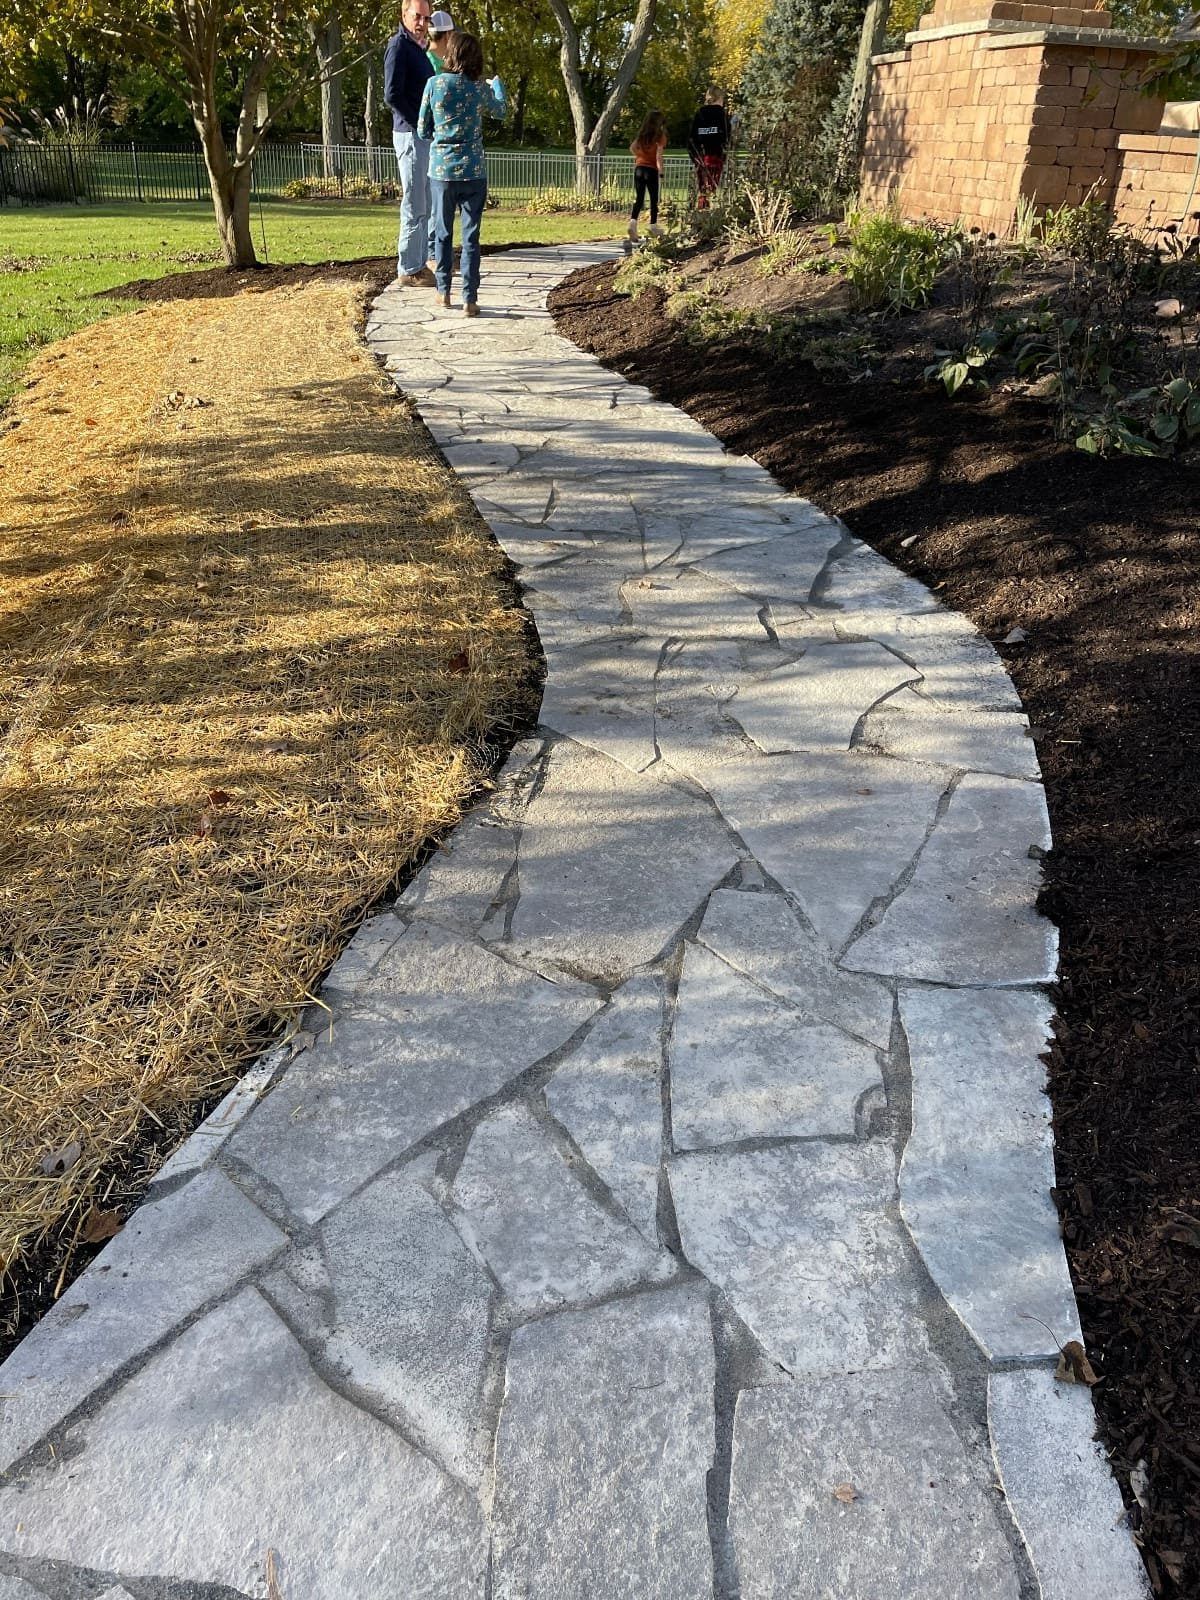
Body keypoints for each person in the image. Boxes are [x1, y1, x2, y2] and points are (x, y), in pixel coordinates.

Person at [417, 31, 506, 316]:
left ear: (450, 54)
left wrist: (441, 135)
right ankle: (470, 299)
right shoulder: (478, 88)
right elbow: (501, 111)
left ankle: (443, 292)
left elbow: (422, 129)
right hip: (474, 171)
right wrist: (498, 86)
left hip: (442, 171)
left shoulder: (434, 84)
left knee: (442, 233)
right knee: (471, 238)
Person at [384, 0, 436, 287]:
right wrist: (418, 124)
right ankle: (409, 268)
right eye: (417, 17)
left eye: (426, 18)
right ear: (404, 15)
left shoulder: (417, 48)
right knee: (415, 203)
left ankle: (422, 260)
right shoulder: (398, 46)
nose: (422, 23)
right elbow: (392, 94)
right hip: (410, 134)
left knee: (424, 201)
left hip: (422, 136)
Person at [425, 11, 455, 268]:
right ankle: (434, 254)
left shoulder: (442, 62)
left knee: (439, 200)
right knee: (435, 201)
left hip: (441, 139)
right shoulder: (432, 65)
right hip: (435, 138)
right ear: (448, 35)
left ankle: (439, 251)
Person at [628, 109, 668, 244]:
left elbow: (632, 148)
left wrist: (640, 156)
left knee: (639, 198)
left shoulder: (641, 135)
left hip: (639, 169)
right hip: (651, 170)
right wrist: (661, 172)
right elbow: (659, 156)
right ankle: (653, 226)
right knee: (653, 199)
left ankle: (632, 224)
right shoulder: (660, 137)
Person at [688, 87, 731, 209]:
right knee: (711, 187)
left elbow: (691, 138)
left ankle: (702, 208)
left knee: (702, 186)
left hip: (700, 156)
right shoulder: (721, 114)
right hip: (716, 155)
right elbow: (727, 136)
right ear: (720, 98)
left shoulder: (700, 113)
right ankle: (705, 210)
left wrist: (695, 156)